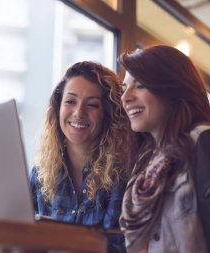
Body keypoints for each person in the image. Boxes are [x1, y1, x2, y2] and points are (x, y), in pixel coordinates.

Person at [118, 45, 210, 253]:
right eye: (124, 88)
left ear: (172, 88)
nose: (125, 97)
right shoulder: (148, 164)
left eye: (139, 86)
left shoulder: (206, 142)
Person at [29, 61, 133, 252]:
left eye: (92, 105)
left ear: (108, 115)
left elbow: (118, 248)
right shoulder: (40, 174)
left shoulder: (124, 175)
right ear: (58, 107)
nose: (78, 113)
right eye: (70, 101)